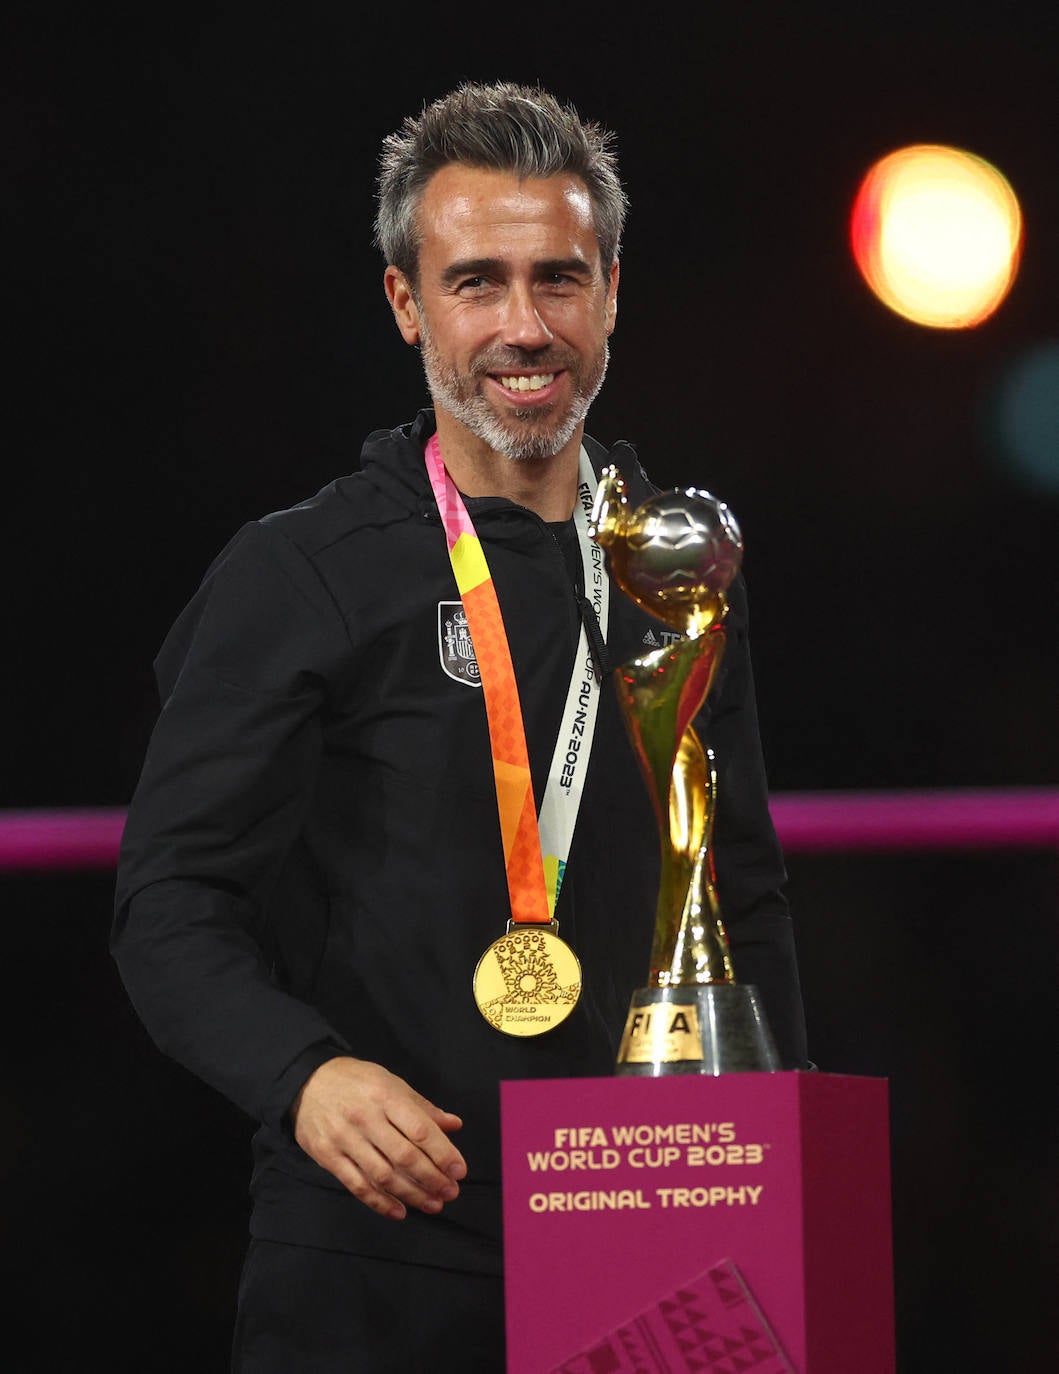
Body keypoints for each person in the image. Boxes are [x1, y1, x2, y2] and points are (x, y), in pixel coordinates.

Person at [112, 80, 810, 1372]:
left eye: (559, 277)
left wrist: (765, 1180)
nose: (524, 326)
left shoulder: (677, 560)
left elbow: (743, 893)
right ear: (405, 303)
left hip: (649, 1231)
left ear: (612, 291)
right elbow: (169, 901)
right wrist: (305, 1076)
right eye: (477, 282)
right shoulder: (304, 572)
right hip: (386, 1246)